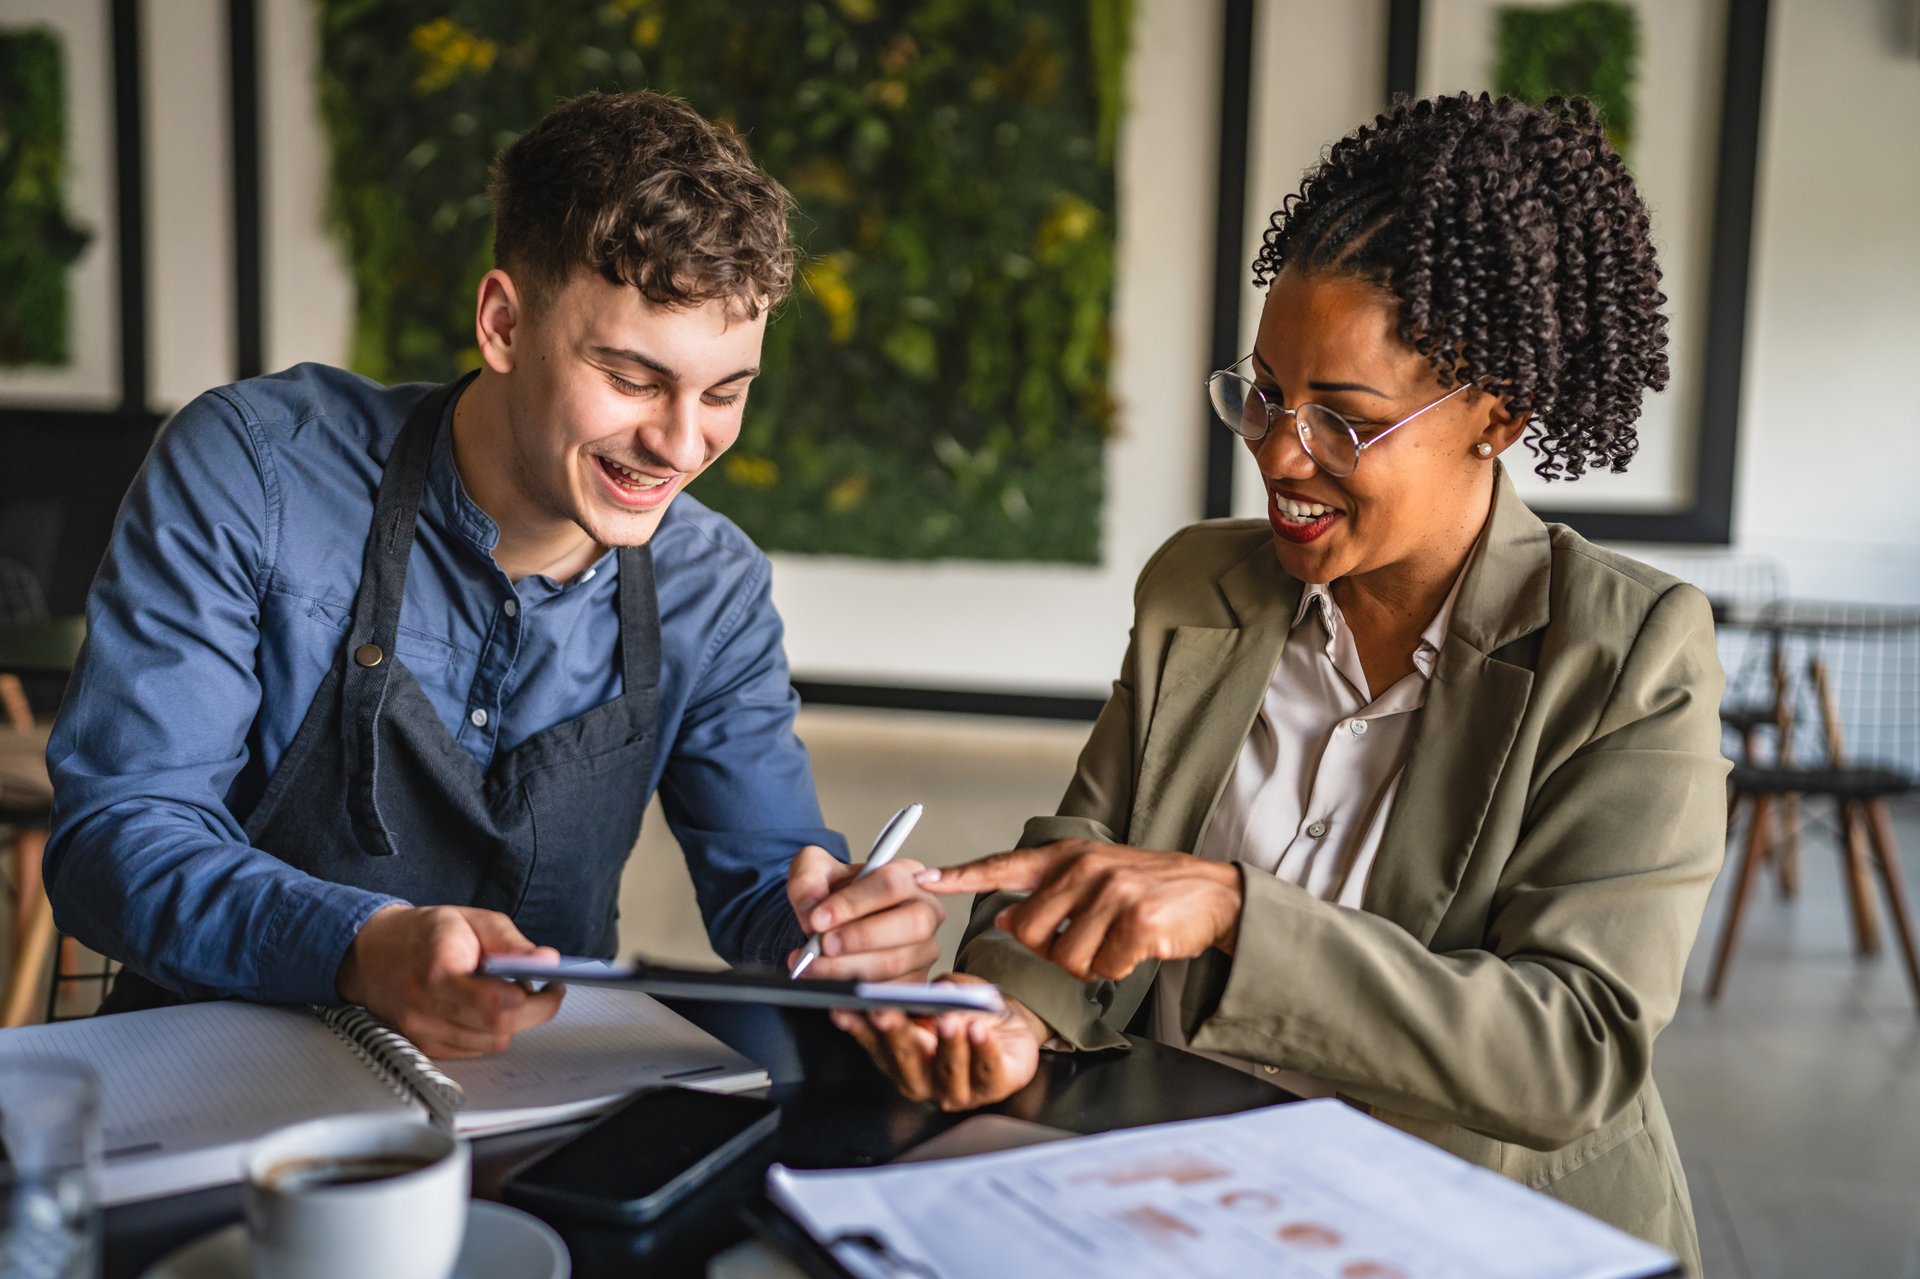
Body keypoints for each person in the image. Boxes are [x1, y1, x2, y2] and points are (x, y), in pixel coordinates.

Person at [834, 93, 1724, 1271]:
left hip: (1460, 1230)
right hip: (1185, 1193)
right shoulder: (1201, 585)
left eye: (1343, 421)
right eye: (1262, 392)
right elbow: (1095, 846)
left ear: (1495, 417)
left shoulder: (1629, 653)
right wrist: (1009, 1011)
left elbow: (1571, 1046)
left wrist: (1237, 913)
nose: (1277, 451)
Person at [44, 90, 942, 1057]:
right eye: (634, 379)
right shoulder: (252, 469)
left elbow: (770, 886)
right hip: (209, 1082)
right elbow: (118, 838)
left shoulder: (713, 587)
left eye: (725, 391)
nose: (681, 444)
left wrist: (845, 931)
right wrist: (361, 944)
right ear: (504, 324)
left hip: (530, 1109)